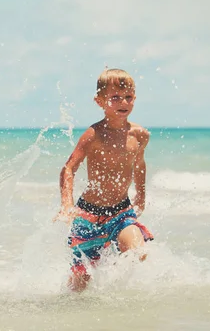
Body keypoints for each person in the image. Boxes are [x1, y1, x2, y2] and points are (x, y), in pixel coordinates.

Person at [54, 67, 154, 292]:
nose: (123, 102)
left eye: (128, 97)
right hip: (88, 216)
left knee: (139, 253)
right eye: (115, 97)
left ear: (135, 99)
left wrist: (141, 197)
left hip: (121, 212)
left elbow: (139, 166)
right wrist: (67, 205)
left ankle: (117, 295)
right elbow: (69, 168)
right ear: (99, 101)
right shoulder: (94, 134)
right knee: (80, 284)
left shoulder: (139, 135)